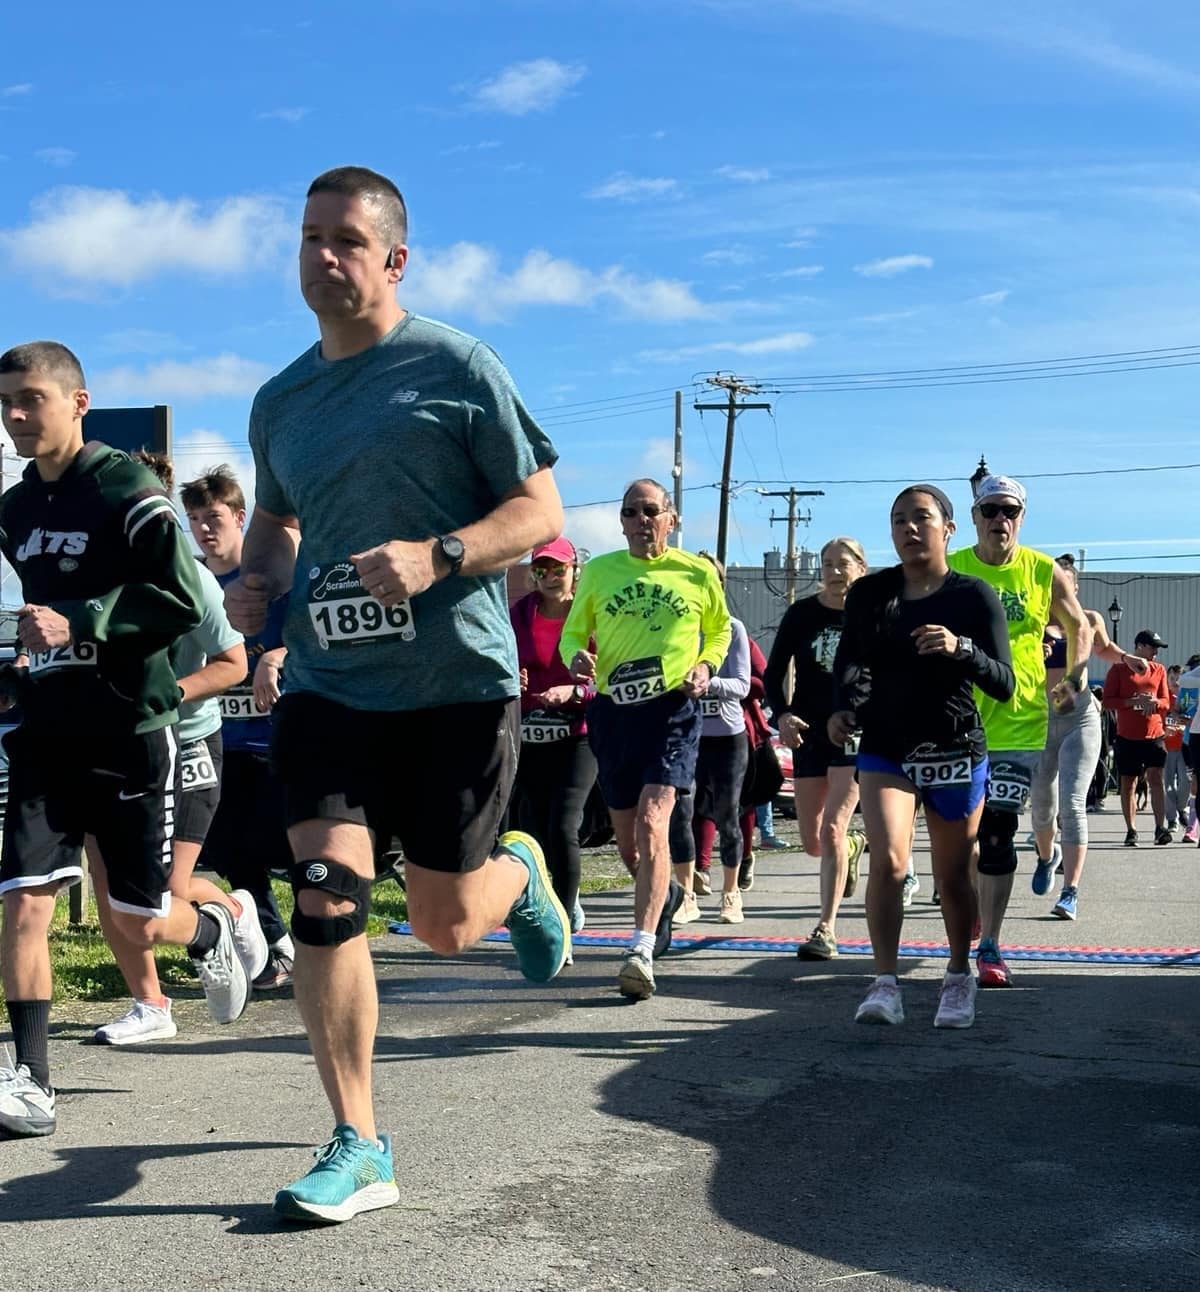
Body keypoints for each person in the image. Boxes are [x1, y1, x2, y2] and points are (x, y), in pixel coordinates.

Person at [223, 166, 568, 1223]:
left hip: (454, 683)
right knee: (324, 892)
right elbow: (279, 521)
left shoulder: (455, 365)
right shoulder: (279, 400)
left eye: (346, 240)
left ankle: (518, 870)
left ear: (393, 258)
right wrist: (256, 575)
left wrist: (441, 553)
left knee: (447, 925)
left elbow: (539, 508)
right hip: (331, 683)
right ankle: (360, 1138)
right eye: (309, 238)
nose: (324, 256)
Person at [0, 341, 238, 1138]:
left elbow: (175, 595)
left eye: (32, 399)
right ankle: (31, 1079)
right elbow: (38, 613)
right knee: (26, 903)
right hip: (45, 731)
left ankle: (214, 928)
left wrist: (87, 620)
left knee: (138, 922)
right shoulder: (15, 509)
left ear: (78, 402)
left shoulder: (129, 489)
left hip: (130, 732)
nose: (17, 416)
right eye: (6, 404)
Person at [88, 451, 266, 1046]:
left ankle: (226, 919)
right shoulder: (91, 579)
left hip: (187, 743)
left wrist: (163, 698)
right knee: (109, 883)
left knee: (161, 892)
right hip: (108, 747)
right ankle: (150, 1004)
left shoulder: (189, 585)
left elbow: (235, 663)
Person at [829, 485, 1014, 1028]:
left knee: (953, 876)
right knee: (888, 861)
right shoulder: (870, 594)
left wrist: (963, 650)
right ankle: (885, 983)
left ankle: (958, 976)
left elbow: (1004, 682)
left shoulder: (974, 596)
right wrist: (842, 709)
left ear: (948, 529)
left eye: (922, 518)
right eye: (899, 521)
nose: (910, 529)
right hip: (887, 747)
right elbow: (849, 661)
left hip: (955, 748)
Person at [560, 479, 731, 1000]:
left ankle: (639, 946)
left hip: (672, 709)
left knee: (657, 823)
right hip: (614, 710)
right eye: (629, 512)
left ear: (671, 518)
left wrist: (705, 664)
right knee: (633, 846)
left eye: (649, 511)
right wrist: (577, 656)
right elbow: (572, 631)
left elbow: (720, 629)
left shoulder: (696, 571)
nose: (639, 520)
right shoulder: (600, 571)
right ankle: (670, 894)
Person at [947, 475, 1091, 988]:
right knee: (960, 843)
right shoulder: (953, 567)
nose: (999, 521)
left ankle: (989, 947)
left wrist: (1074, 681)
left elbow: (1080, 626)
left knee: (999, 835)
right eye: (990, 511)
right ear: (974, 516)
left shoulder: (1043, 569)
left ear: (1021, 518)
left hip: (1019, 723)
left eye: (1009, 511)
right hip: (955, 722)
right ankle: (972, 919)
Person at [184, 464, 296, 990]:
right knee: (232, 850)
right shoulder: (190, 585)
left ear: (239, 517)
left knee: (289, 846)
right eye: (194, 519)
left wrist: (276, 654)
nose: (204, 528)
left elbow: (313, 633)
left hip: (276, 738)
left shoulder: (269, 580)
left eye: (214, 517)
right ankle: (274, 945)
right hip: (219, 740)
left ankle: (317, 929)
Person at [765, 537, 870, 961]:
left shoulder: (871, 615)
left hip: (852, 731)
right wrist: (783, 715)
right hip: (809, 732)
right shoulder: (802, 614)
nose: (834, 571)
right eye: (827, 564)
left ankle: (826, 928)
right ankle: (854, 846)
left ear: (861, 568)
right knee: (813, 841)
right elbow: (774, 672)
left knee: (831, 830)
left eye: (843, 563)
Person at [1028, 556, 1146, 920]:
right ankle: (1048, 857)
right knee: (1042, 809)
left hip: (1080, 718)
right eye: (1050, 586)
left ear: (1073, 588)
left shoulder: (1090, 619)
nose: (1055, 592)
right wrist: (1035, 654)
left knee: (1073, 804)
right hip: (1042, 720)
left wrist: (1125, 657)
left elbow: (1103, 648)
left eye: (1062, 584)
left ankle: (1070, 892)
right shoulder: (1033, 624)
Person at [509, 535, 597, 935]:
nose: (549, 576)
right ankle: (548, 901)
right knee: (531, 829)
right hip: (528, 734)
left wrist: (575, 691)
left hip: (578, 735)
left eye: (557, 568)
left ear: (574, 571)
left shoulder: (591, 615)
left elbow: (609, 679)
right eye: (540, 569)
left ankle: (560, 919)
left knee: (563, 824)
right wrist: (513, 677)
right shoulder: (519, 613)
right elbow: (500, 661)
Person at [668, 553, 751, 926]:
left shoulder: (733, 628)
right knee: (681, 813)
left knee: (727, 815)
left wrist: (706, 681)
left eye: (710, 578)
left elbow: (743, 685)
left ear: (720, 584)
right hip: (686, 735)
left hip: (727, 738)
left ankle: (730, 894)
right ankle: (686, 894)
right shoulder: (676, 624)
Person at [1101, 630, 1172, 846]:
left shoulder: (1158, 670)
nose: (1156, 653)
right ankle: (1131, 830)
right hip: (1127, 736)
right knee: (1128, 783)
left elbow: (1166, 702)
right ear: (1139, 646)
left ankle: (1160, 828)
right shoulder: (1119, 669)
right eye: (1153, 648)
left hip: (1154, 735)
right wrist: (1132, 702)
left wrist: (1154, 702)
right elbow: (1107, 701)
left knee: (1156, 780)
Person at [1163, 664, 1190, 834]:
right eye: (1172, 678)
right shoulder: (1164, 698)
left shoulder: (1185, 697)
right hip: (1166, 746)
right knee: (1168, 785)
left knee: (1186, 782)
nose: (1175, 682)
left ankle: (1182, 808)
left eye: (1178, 678)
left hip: (1184, 745)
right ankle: (1172, 819)